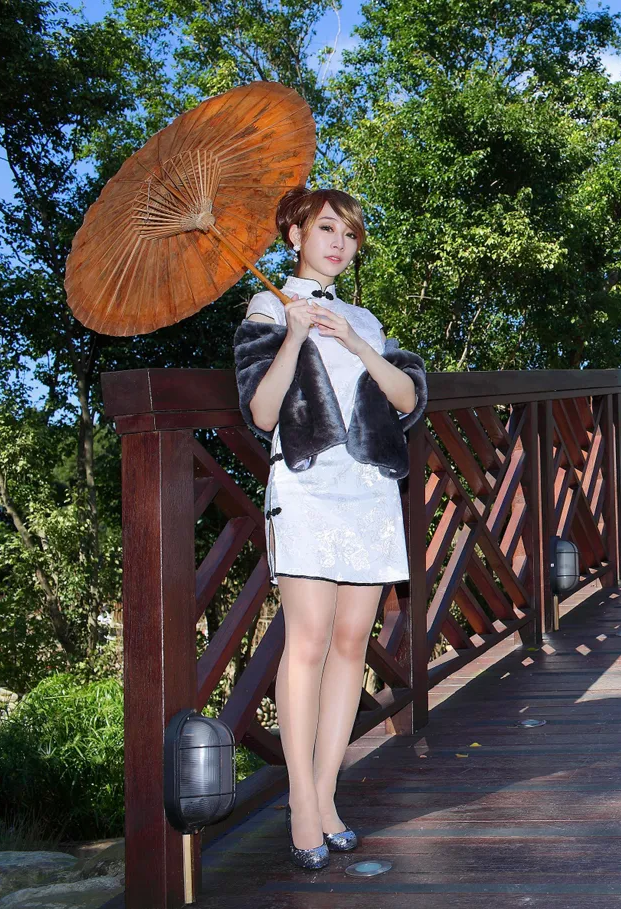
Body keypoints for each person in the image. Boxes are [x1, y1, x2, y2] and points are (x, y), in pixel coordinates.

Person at [232, 186, 427, 870]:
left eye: (348, 233)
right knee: (308, 641)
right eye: (324, 229)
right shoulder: (267, 305)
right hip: (309, 488)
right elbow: (260, 411)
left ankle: (324, 791)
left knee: (353, 642)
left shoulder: (365, 318)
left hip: (370, 490)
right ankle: (303, 807)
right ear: (293, 234)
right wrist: (292, 335)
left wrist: (354, 342)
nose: (338, 243)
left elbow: (406, 399)